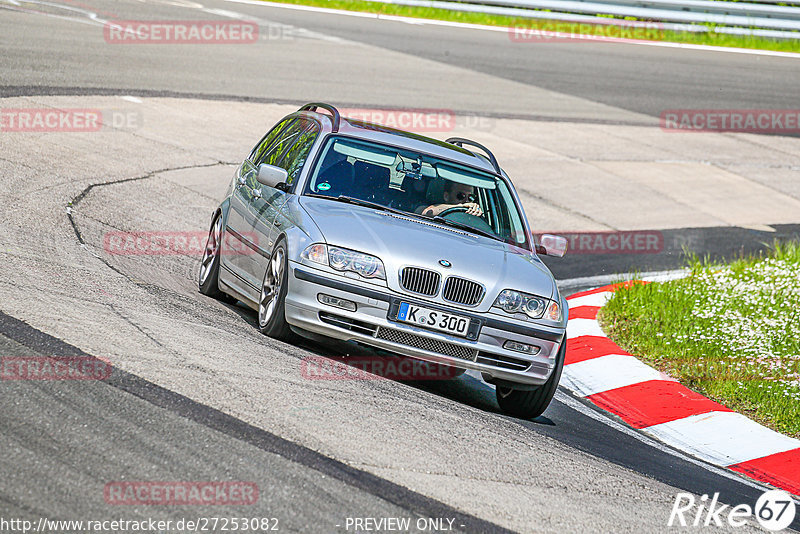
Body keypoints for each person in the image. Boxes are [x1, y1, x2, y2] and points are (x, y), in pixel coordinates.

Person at [419, 180, 483, 217]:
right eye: (460, 196)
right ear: (446, 196)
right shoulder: (425, 207)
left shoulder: (473, 217)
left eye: (470, 197)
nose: (466, 201)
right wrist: (461, 206)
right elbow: (427, 212)